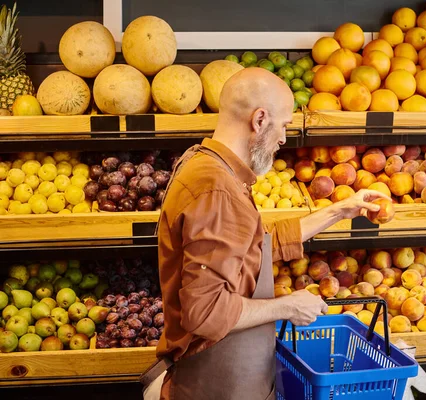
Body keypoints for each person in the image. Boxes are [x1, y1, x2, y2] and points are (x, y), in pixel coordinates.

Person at [142, 67, 389, 400]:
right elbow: (205, 313)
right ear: (259, 120)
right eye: (284, 125)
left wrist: (339, 211)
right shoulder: (217, 190)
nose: (284, 138)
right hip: (215, 386)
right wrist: (287, 306)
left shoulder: (205, 164)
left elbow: (251, 244)